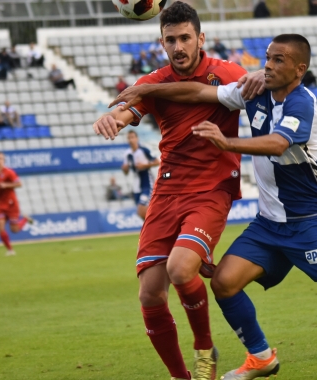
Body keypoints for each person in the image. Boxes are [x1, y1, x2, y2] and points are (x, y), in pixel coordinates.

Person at [112, 33, 317, 380]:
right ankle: (261, 356)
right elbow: (199, 92)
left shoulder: (302, 102)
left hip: (310, 218)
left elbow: (278, 144)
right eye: (267, 57)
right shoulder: (255, 91)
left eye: (279, 59)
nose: (268, 65)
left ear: (299, 69)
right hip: (268, 224)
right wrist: (146, 90)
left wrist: (227, 142)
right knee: (223, 282)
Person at [93, 3, 250, 379]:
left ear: (201, 39)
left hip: (211, 190)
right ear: (160, 42)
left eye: (184, 38)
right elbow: (127, 111)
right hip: (166, 192)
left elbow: (262, 93)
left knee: (181, 270)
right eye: (170, 40)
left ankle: (204, 351)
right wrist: (110, 117)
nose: (178, 47)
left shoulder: (227, 74)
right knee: (149, 294)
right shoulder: (155, 82)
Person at [0, 152, 34, 256]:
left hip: (11, 204)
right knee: (0, 226)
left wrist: (6, 185)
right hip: (1, 205)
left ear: (4, 160)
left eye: (0, 159)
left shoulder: (9, 172)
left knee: (14, 230)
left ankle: (25, 219)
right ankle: (10, 250)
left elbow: (19, 184)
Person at [122, 130, 159, 220]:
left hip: (146, 183)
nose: (131, 140)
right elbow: (126, 173)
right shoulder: (127, 154)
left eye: (132, 137)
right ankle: (150, 232)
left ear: (137, 138)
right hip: (136, 186)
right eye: (129, 138)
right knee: (142, 214)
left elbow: (157, 162)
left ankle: (155, 228)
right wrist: (125, 169)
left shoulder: (143, 150)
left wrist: (145, 165)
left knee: (141, 209)